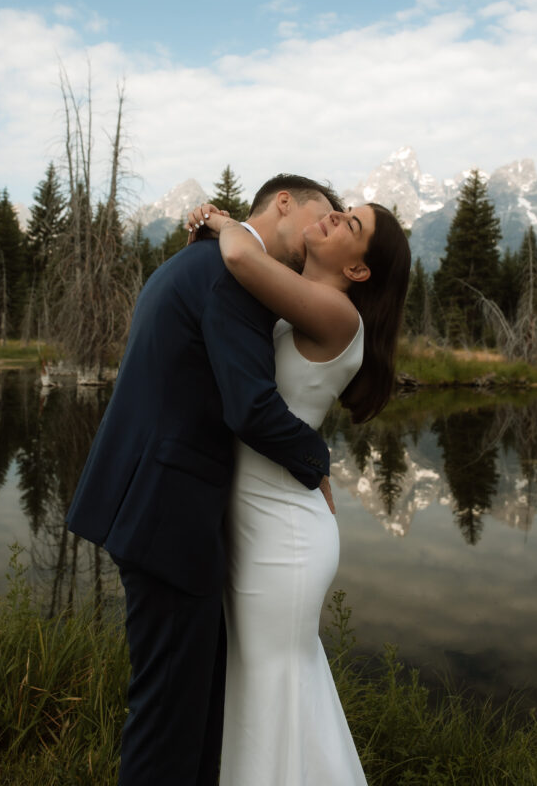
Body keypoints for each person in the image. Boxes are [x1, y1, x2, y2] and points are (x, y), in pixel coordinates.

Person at [66, 174, 343, 786]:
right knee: (167, 720)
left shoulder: (194, 260)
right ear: (284, 203)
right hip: (168, 516)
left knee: (191, 707)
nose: (323, 232)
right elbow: (250, 407)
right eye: (322, 215)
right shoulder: (230, 277)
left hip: (154, 505)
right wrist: (317, 458)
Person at [186, 199, 411, 785]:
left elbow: (238, 253)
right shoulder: (300, 305)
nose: (336, 217)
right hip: (263, 519)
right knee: (268, 689)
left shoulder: (340, 314)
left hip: (283, 537)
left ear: (359, 271)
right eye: (342, 210)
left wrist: (217, 219)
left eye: (351, 225)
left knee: (272, 692)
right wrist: (318, 461)